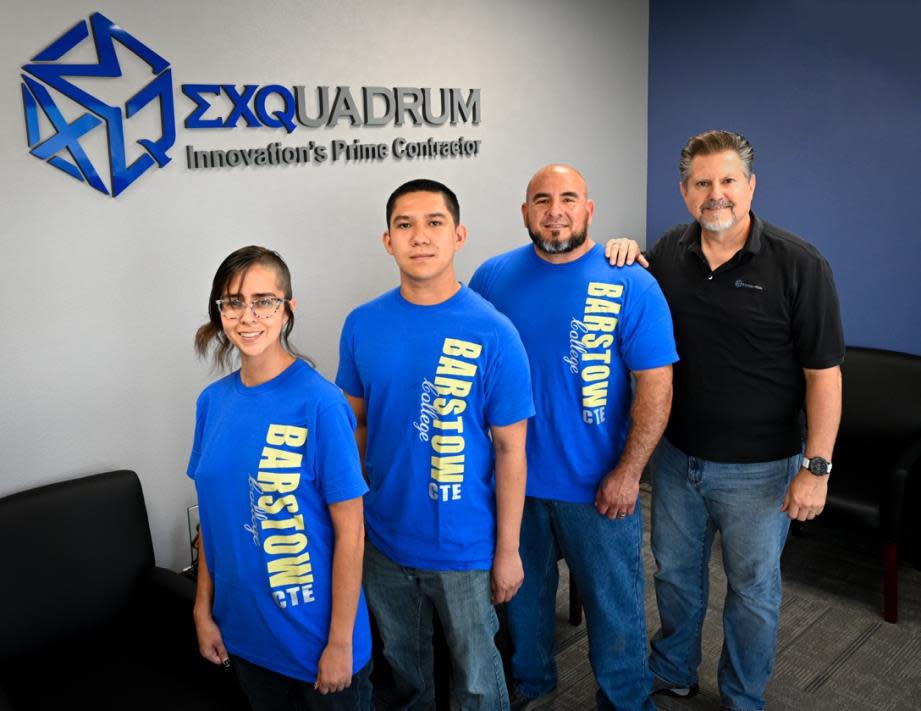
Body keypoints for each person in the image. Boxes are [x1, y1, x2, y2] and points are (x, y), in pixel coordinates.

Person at [606, 130, 844, 711]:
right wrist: (617, 249)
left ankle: (742, 696)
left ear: (751, 186)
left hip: (761, 472)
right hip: (677, 456)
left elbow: (825, 376)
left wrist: (816, 468)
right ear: (685, 191)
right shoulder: (665, 253)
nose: (717, 194)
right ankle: (674, 671)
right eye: (702, 183)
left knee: (753, 591)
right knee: (676, 578)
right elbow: (632, 306)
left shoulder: (799, 264)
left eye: (728, 181)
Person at [469, 164, 678, 711]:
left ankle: (626, 701)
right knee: (521, 601)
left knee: (616, 611)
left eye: (568, 198)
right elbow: (470, 372)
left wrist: (630, 473)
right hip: (513, 484)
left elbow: (656, 385)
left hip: (599, 488)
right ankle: (534, 688)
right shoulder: (491, 278)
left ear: (589, 209)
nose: (554, 210)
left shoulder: (629, 279)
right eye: (541, 199)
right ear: (525, 213)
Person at [336, 179, 534, 710]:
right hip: (383, 539)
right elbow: (352, 426)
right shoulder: (361, 325)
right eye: (405, 225)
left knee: (477, 680)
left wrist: (509, 550)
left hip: (464, 546)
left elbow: (513, 450)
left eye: (434, 223)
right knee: (406, 674)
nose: (419, 237)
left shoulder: (494, 332)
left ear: (459, 234)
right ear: (387, 240)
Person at [188, 246, 373, 711]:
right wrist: (202, 609)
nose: (247, 316)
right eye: (233, 302)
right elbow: (214, 520)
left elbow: (352, 533)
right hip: (245, 635)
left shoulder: (321, 404)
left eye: (264, 300)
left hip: (316, 637)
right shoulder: (212, 403)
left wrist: (340, 643)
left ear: (288, 309)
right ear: (220, 312)